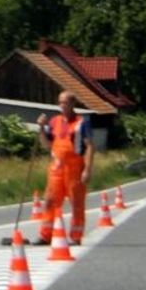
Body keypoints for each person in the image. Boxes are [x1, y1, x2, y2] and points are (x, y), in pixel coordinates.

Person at [36, 91, 95, 246]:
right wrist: (41, 128)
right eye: (60, 102)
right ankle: (45, 235)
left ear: (72, 104)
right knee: (49, 201)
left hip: (74, 169)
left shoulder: (82, 122)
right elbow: (46, 145)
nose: (62, 105)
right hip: (56, 168)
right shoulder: (54, 121)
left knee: (76, 203)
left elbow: (90, 146)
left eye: (65, 102)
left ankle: (75, 236)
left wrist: (87, 169)